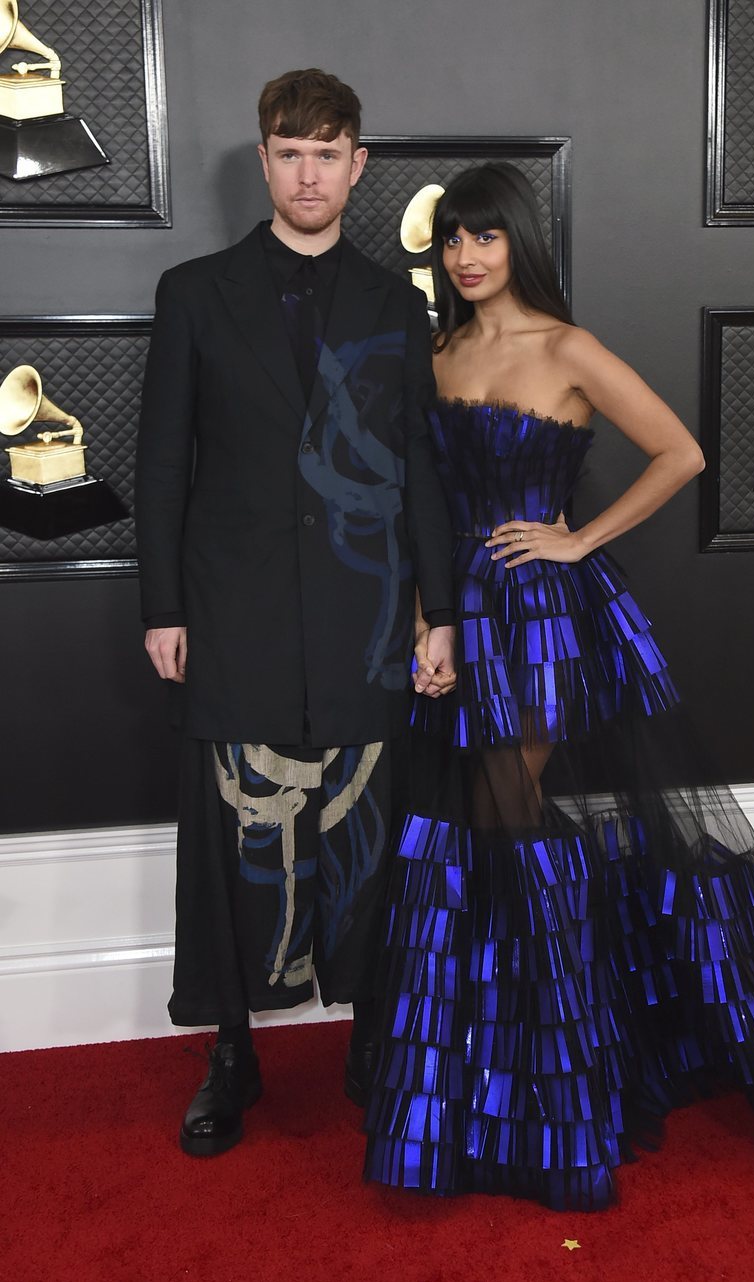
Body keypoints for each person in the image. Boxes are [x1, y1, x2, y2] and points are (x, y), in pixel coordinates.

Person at [361, 163, 754, 1210]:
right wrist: (427, 616)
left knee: (503, 815)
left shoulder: (567, 348)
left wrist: (576, 540)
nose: (465, 257)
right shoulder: (435, 353)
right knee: (476, 834)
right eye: (451, 241)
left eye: (485, 238)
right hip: (456, 617)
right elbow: (416, 501)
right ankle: (498, 1072)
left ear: (519, 241)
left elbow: (682, 452)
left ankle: (547, 1083)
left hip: (543, 621)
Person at [135, 69, 455, 1158]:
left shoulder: (396, 306)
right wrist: (162, 605)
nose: (308, 172)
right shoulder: (193, 293)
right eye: (289, 151)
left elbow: (417, 466)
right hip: (233, 610)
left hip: (366, 613)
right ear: (263, 159)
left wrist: (439, 612)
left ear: (357, 165)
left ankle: (372, 1037)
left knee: (365, 829)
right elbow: (165, 459)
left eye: (329, 153)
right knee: (231, 833)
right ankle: (233, 1051)